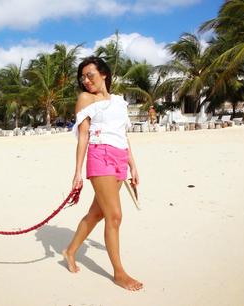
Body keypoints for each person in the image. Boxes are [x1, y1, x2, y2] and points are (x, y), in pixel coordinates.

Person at [63, 56, 143, 291]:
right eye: (83, 77)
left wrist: (133, 165)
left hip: (119, 158)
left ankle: (69, 251)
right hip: (100, 157)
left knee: (97, 214)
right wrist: (77, 172)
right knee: (115, 216)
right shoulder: (85, 99)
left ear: (104, 74)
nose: (86, 81)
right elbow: (84, 136)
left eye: (91, 75)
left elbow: (123, 135)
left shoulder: (119, 102)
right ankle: (119, 273)